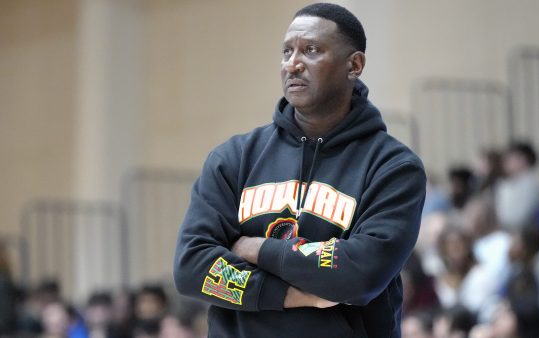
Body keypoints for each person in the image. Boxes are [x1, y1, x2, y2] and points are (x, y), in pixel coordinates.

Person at [173, 3, 426, 337]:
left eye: (311, 50)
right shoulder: (233, 158)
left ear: (354, 65)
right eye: (286, 52)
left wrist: (255, 248)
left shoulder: (393, 167)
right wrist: (285, 295)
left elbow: (359, 277)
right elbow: (192, 268)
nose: (293, 64)